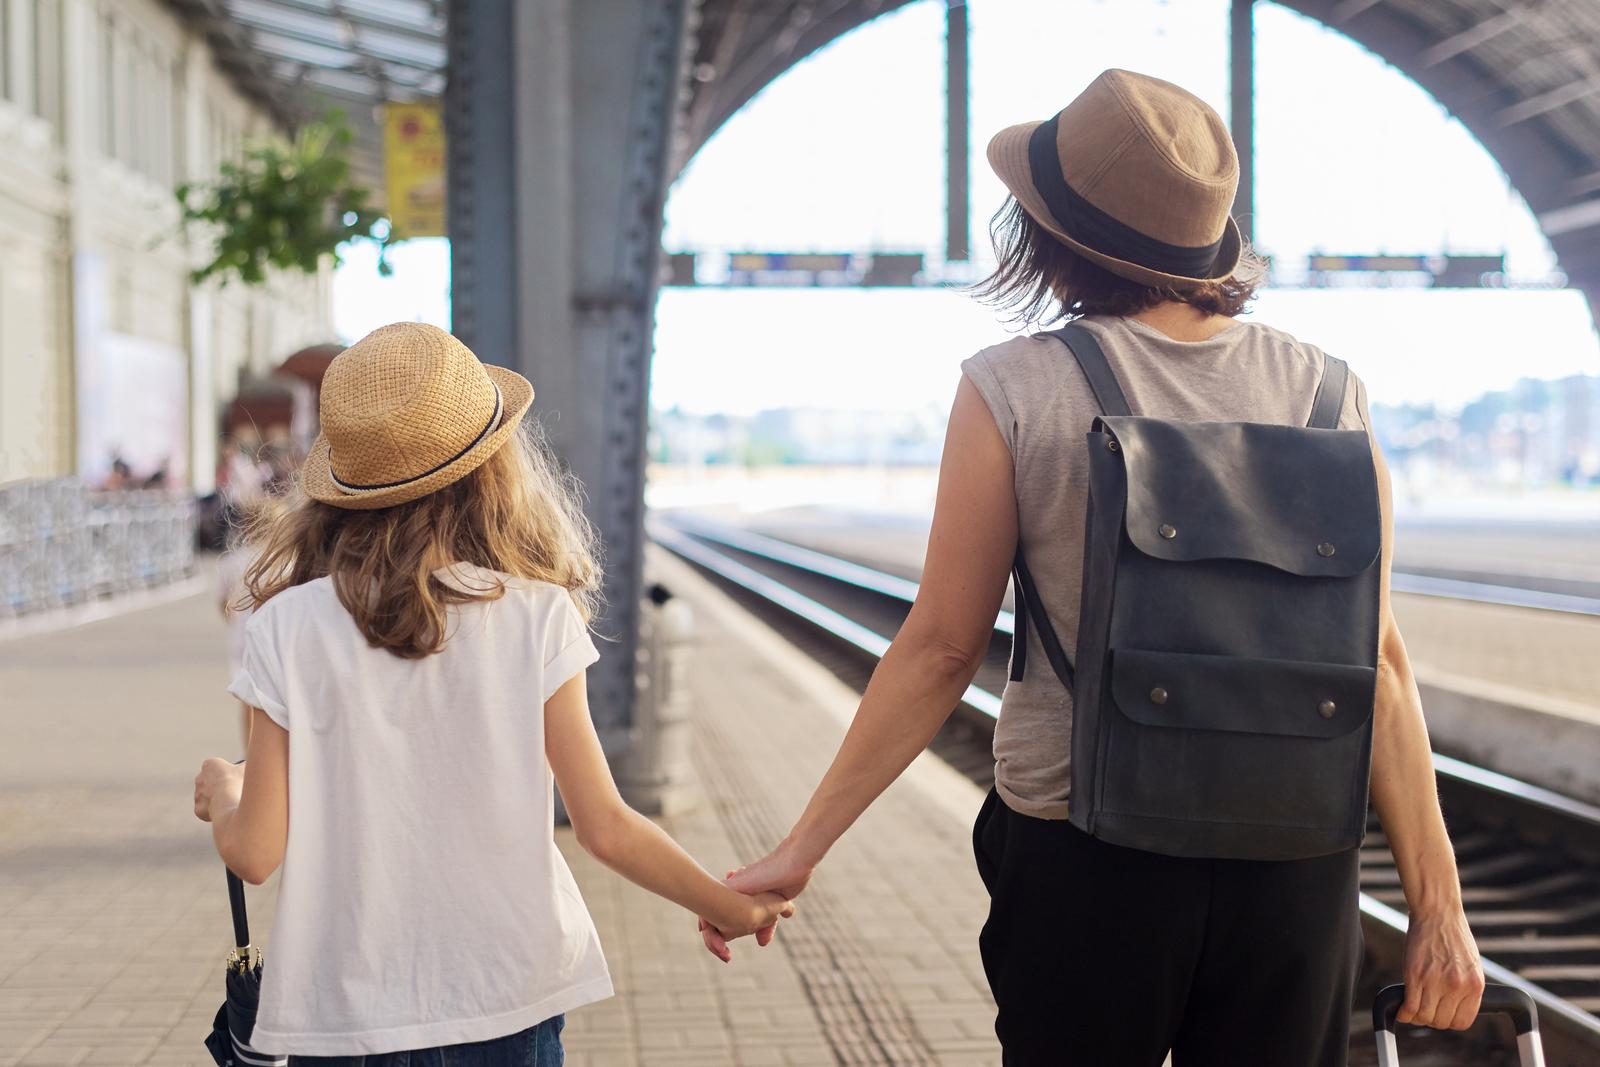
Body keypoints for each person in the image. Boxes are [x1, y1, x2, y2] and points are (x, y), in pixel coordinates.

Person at [706, 69, 1485, 1065]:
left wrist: (798, 848)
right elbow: (1381, 663)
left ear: (1051, 236)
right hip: (1292, 856)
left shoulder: (1015, 386)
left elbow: (942, 648)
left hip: (1084, 853)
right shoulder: (1328, 391)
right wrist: (1437, 909)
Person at [191, 322, 795, 1065]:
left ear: (341, 484)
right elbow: (605, 825)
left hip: (343, 1016)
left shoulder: (285, 625)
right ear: (491, 467)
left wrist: (226, 787)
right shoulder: (536, 614)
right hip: (509, 998)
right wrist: (725, 904)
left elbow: (253, 852)